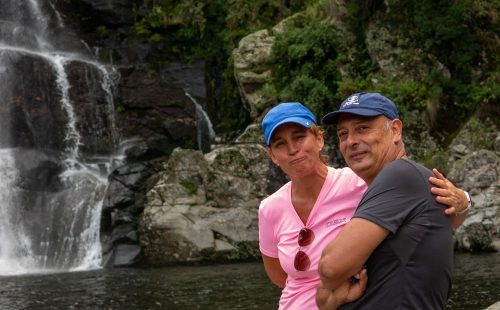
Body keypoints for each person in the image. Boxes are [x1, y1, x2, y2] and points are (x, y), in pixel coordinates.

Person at [258, 101, 469, 310]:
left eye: (299, 137)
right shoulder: (269, 208)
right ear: (272, 156)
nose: (293, 149)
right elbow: (280, 277)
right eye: (280, 144)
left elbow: (433, 216)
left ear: (319, 139)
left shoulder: (362, 181)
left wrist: (464, 201)